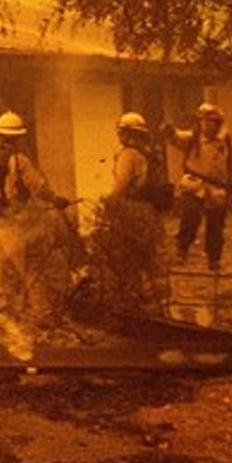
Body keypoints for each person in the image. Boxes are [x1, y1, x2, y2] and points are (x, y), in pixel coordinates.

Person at [0, 111, 70, 358]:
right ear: (17, 138)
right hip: (15, 226)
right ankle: (43, 320)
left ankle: (2, 318)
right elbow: (39, 187)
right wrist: (57, 201)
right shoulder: (19, 161)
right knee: (31, 273)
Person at [86, 112, 170, 315]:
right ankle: (159, 308)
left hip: (131, 214)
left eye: (121, 132)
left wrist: (106, 201)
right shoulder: (149, 153)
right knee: (151, 263)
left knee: (126, 260)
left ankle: (132, 310)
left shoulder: (128, 155)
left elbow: (121, 188)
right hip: (150, 214)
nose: (119, 136)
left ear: (128, 133)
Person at [170, 101, 232, 272]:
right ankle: (182, 250)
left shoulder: (226, 142)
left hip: (217, 188)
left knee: (216, 226)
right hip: (194, 185)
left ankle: (214, 259)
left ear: (218, 124)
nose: (206, 125)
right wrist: (170, 132)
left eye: (211, 122)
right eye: (203, 121)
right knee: (190, 219)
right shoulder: (193, 138)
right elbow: (177, 138)